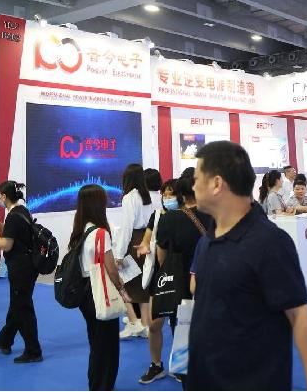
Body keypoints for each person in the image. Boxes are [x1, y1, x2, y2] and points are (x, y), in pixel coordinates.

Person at [188, 141, 307, 391]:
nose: (193, 186)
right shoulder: (207, 239)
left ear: (217, 183)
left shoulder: (269, 242)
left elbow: (299, 315)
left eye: (197, 178)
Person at [138, 176, 211, 385]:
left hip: (172, 278)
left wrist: (167, 272)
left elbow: (161, 254)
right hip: (203, 277)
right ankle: (183, 366)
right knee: (188, 323)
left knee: (165, 322)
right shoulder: (212, 214)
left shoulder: (170, 218)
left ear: (180, 194)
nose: (167, 197)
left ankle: (166, 365)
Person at [70, 184, 131, 390]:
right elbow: (111, 269)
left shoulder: (80, 230)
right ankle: (102, 384)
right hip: (101, 292)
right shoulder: (100, 233)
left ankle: (96, 382)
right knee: (107, 343)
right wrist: (122, 290)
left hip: (85, 292)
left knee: (95, 341)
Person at [0, 181, 43, 363]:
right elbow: (16, 234)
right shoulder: (22, 211)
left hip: (20, 268)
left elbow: (6, 244)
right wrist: (0, 225)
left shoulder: (13, 216)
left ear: (4, 196)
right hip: (28, 265)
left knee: (22, 308)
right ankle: (5, 340)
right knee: (17, 304)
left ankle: (33, 350)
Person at [115, 164, 155, 340]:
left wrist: (119, 254)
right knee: (142, 284)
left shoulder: (130, 197)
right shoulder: (148, 196)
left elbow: (126, 228)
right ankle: (144, 324)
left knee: (123, 282)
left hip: (134, 242)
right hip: (148, 240)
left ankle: (133, 322)